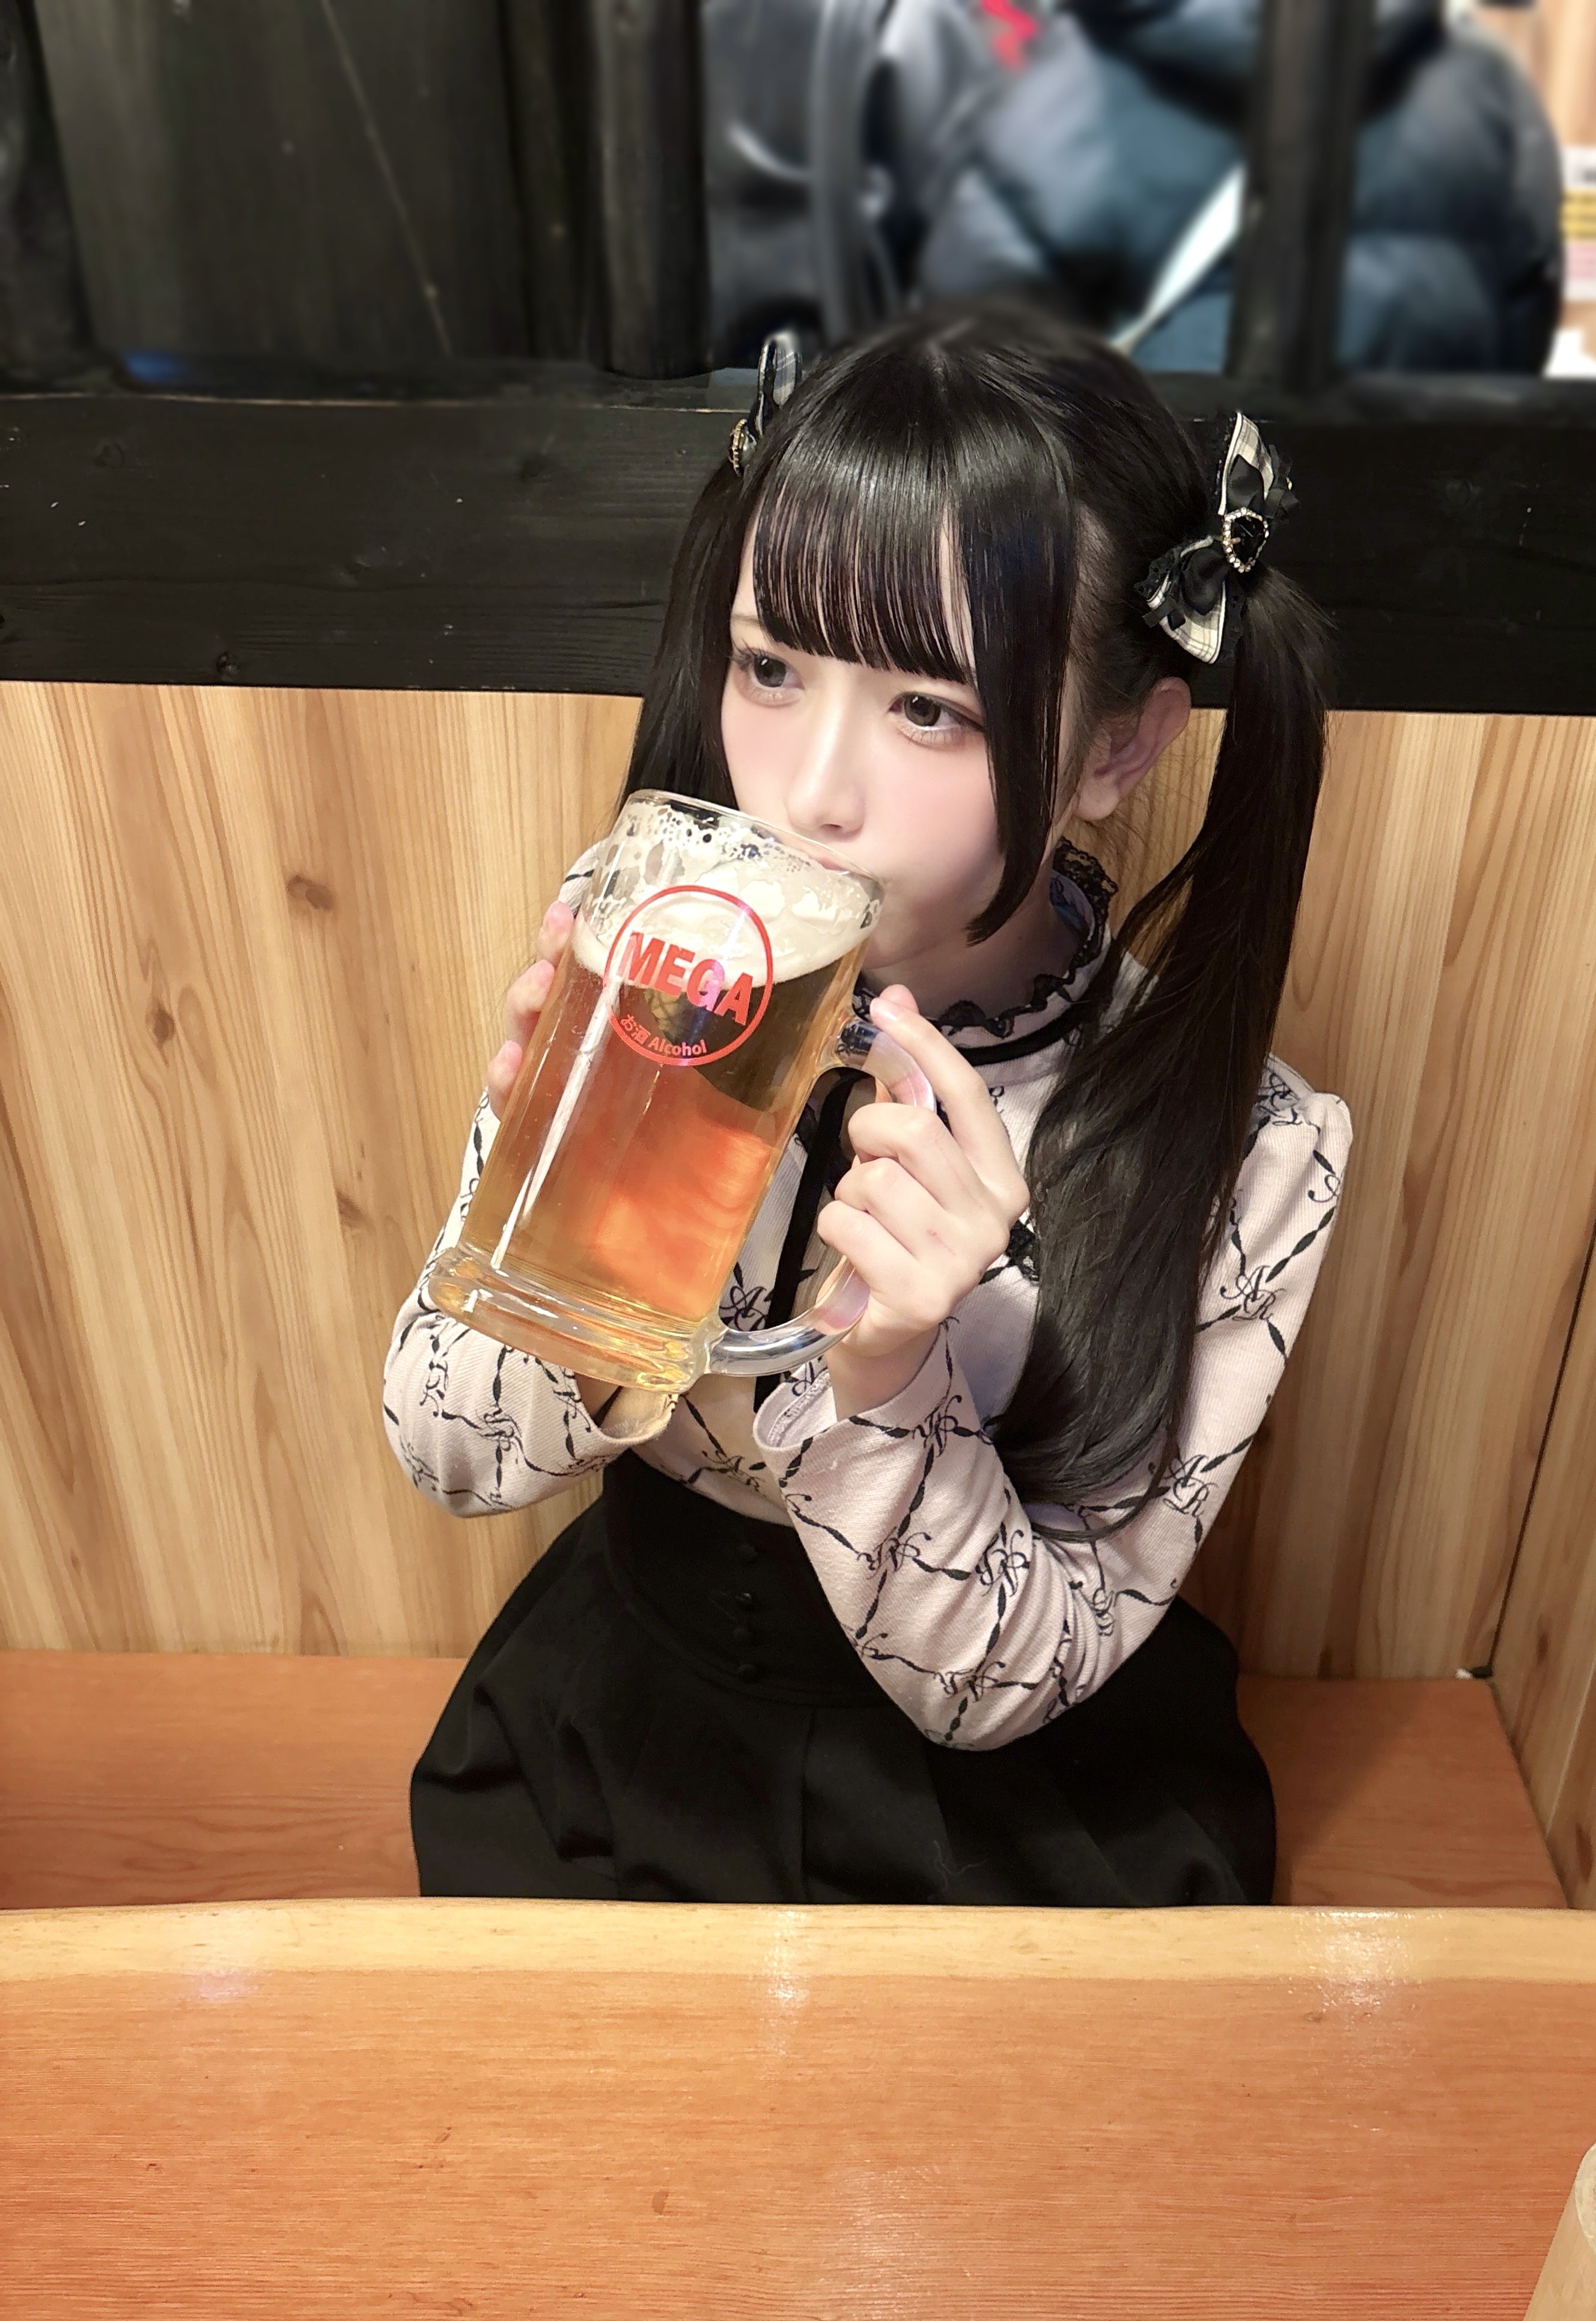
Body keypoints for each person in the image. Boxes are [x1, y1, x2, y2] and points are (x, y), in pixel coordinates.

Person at [384, 299, 1354, 1906]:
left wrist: (898, 1376)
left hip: (998, 1809)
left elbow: (1012, 1679)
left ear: (1118, 747)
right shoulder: (651, 939)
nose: (807, 792)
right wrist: (588, 1227)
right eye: (769, 666)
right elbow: (446, 1449)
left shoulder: (1250, 1152)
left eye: (928, 708)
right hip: (627, 1736)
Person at [915, 0, 1563, 374]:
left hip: (1156, 551)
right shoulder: (1482, 88)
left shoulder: (1053, 100)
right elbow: (1518, 333)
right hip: (1411, 538)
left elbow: (970, 382)